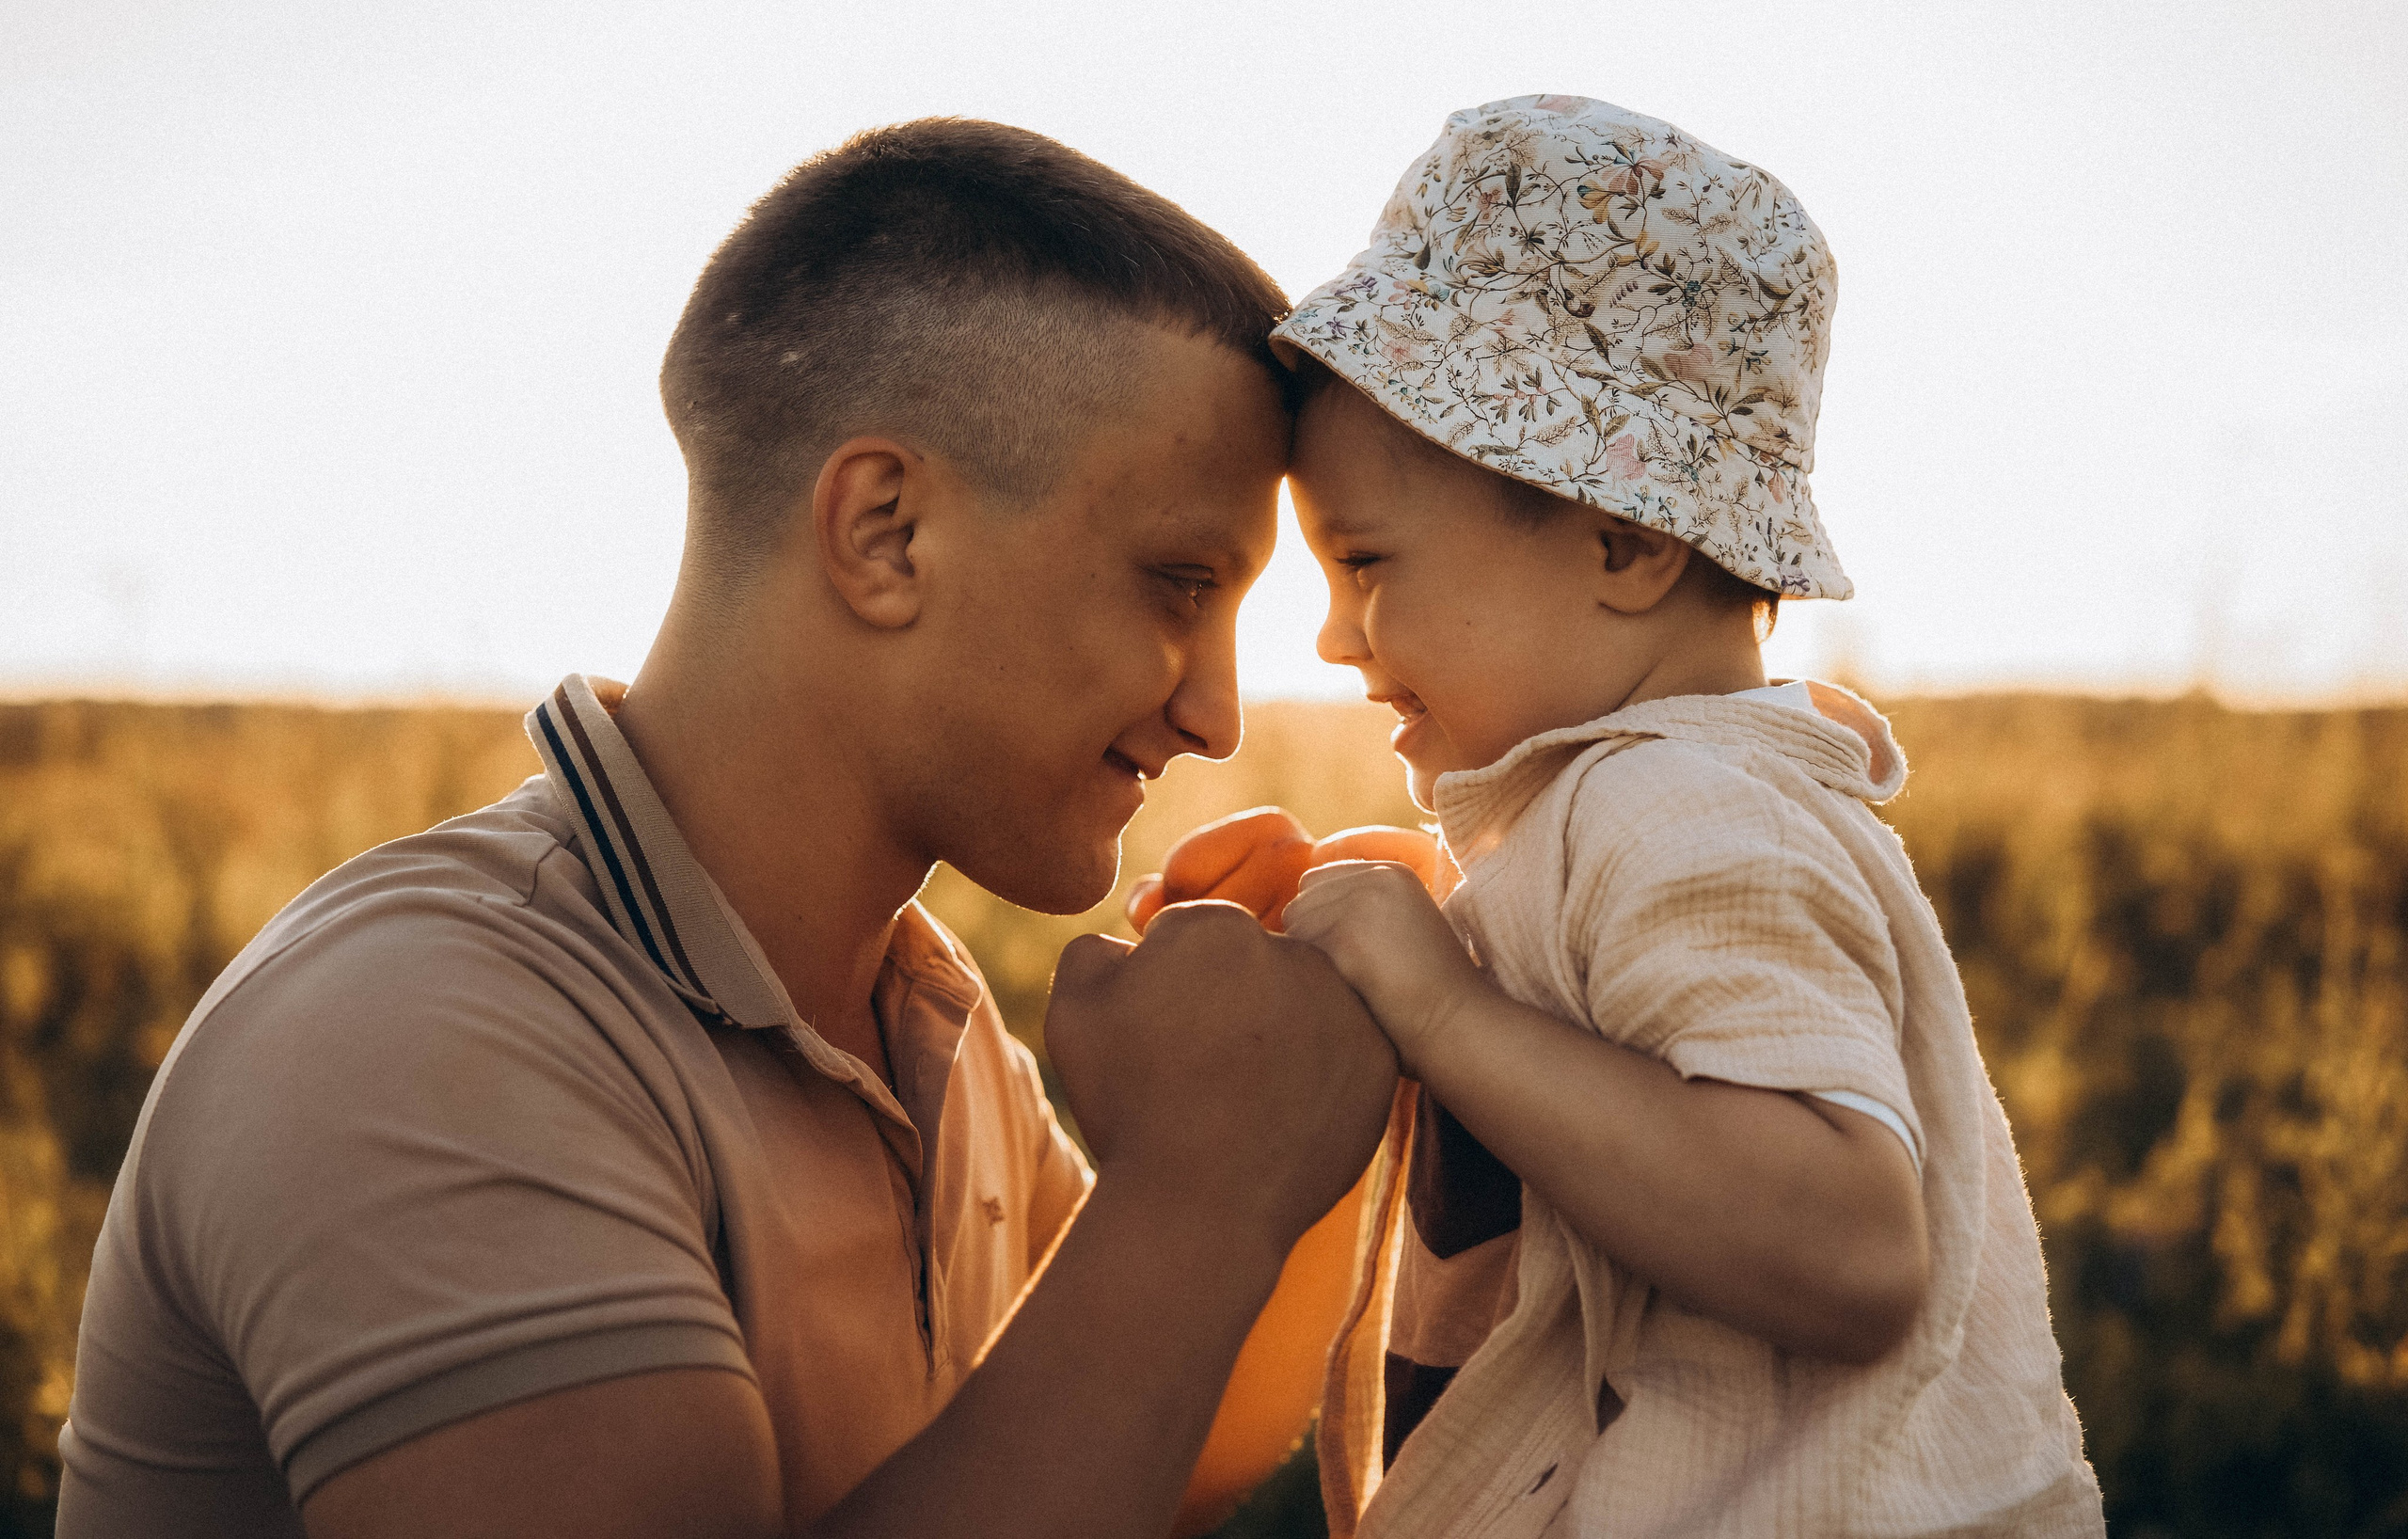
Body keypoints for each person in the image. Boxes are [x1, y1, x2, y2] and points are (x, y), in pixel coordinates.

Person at [55, 119, 1400, 1539]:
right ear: (886, 533)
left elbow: (1138, 1449)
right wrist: (1192, 1192)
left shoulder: (914, 1021)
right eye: (1179, 583)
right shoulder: (426, 1034)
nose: (1219, 718)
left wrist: (1316, 1078)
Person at [1153, 95, 2106, 1536]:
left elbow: (1850, 1246)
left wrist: (1445, 1010)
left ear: (1627, 543)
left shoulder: (1682, 814)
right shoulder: (1640, 810)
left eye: (1365, 564)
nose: (1335, 638)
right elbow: (1625, 1045)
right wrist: (1414, 919)